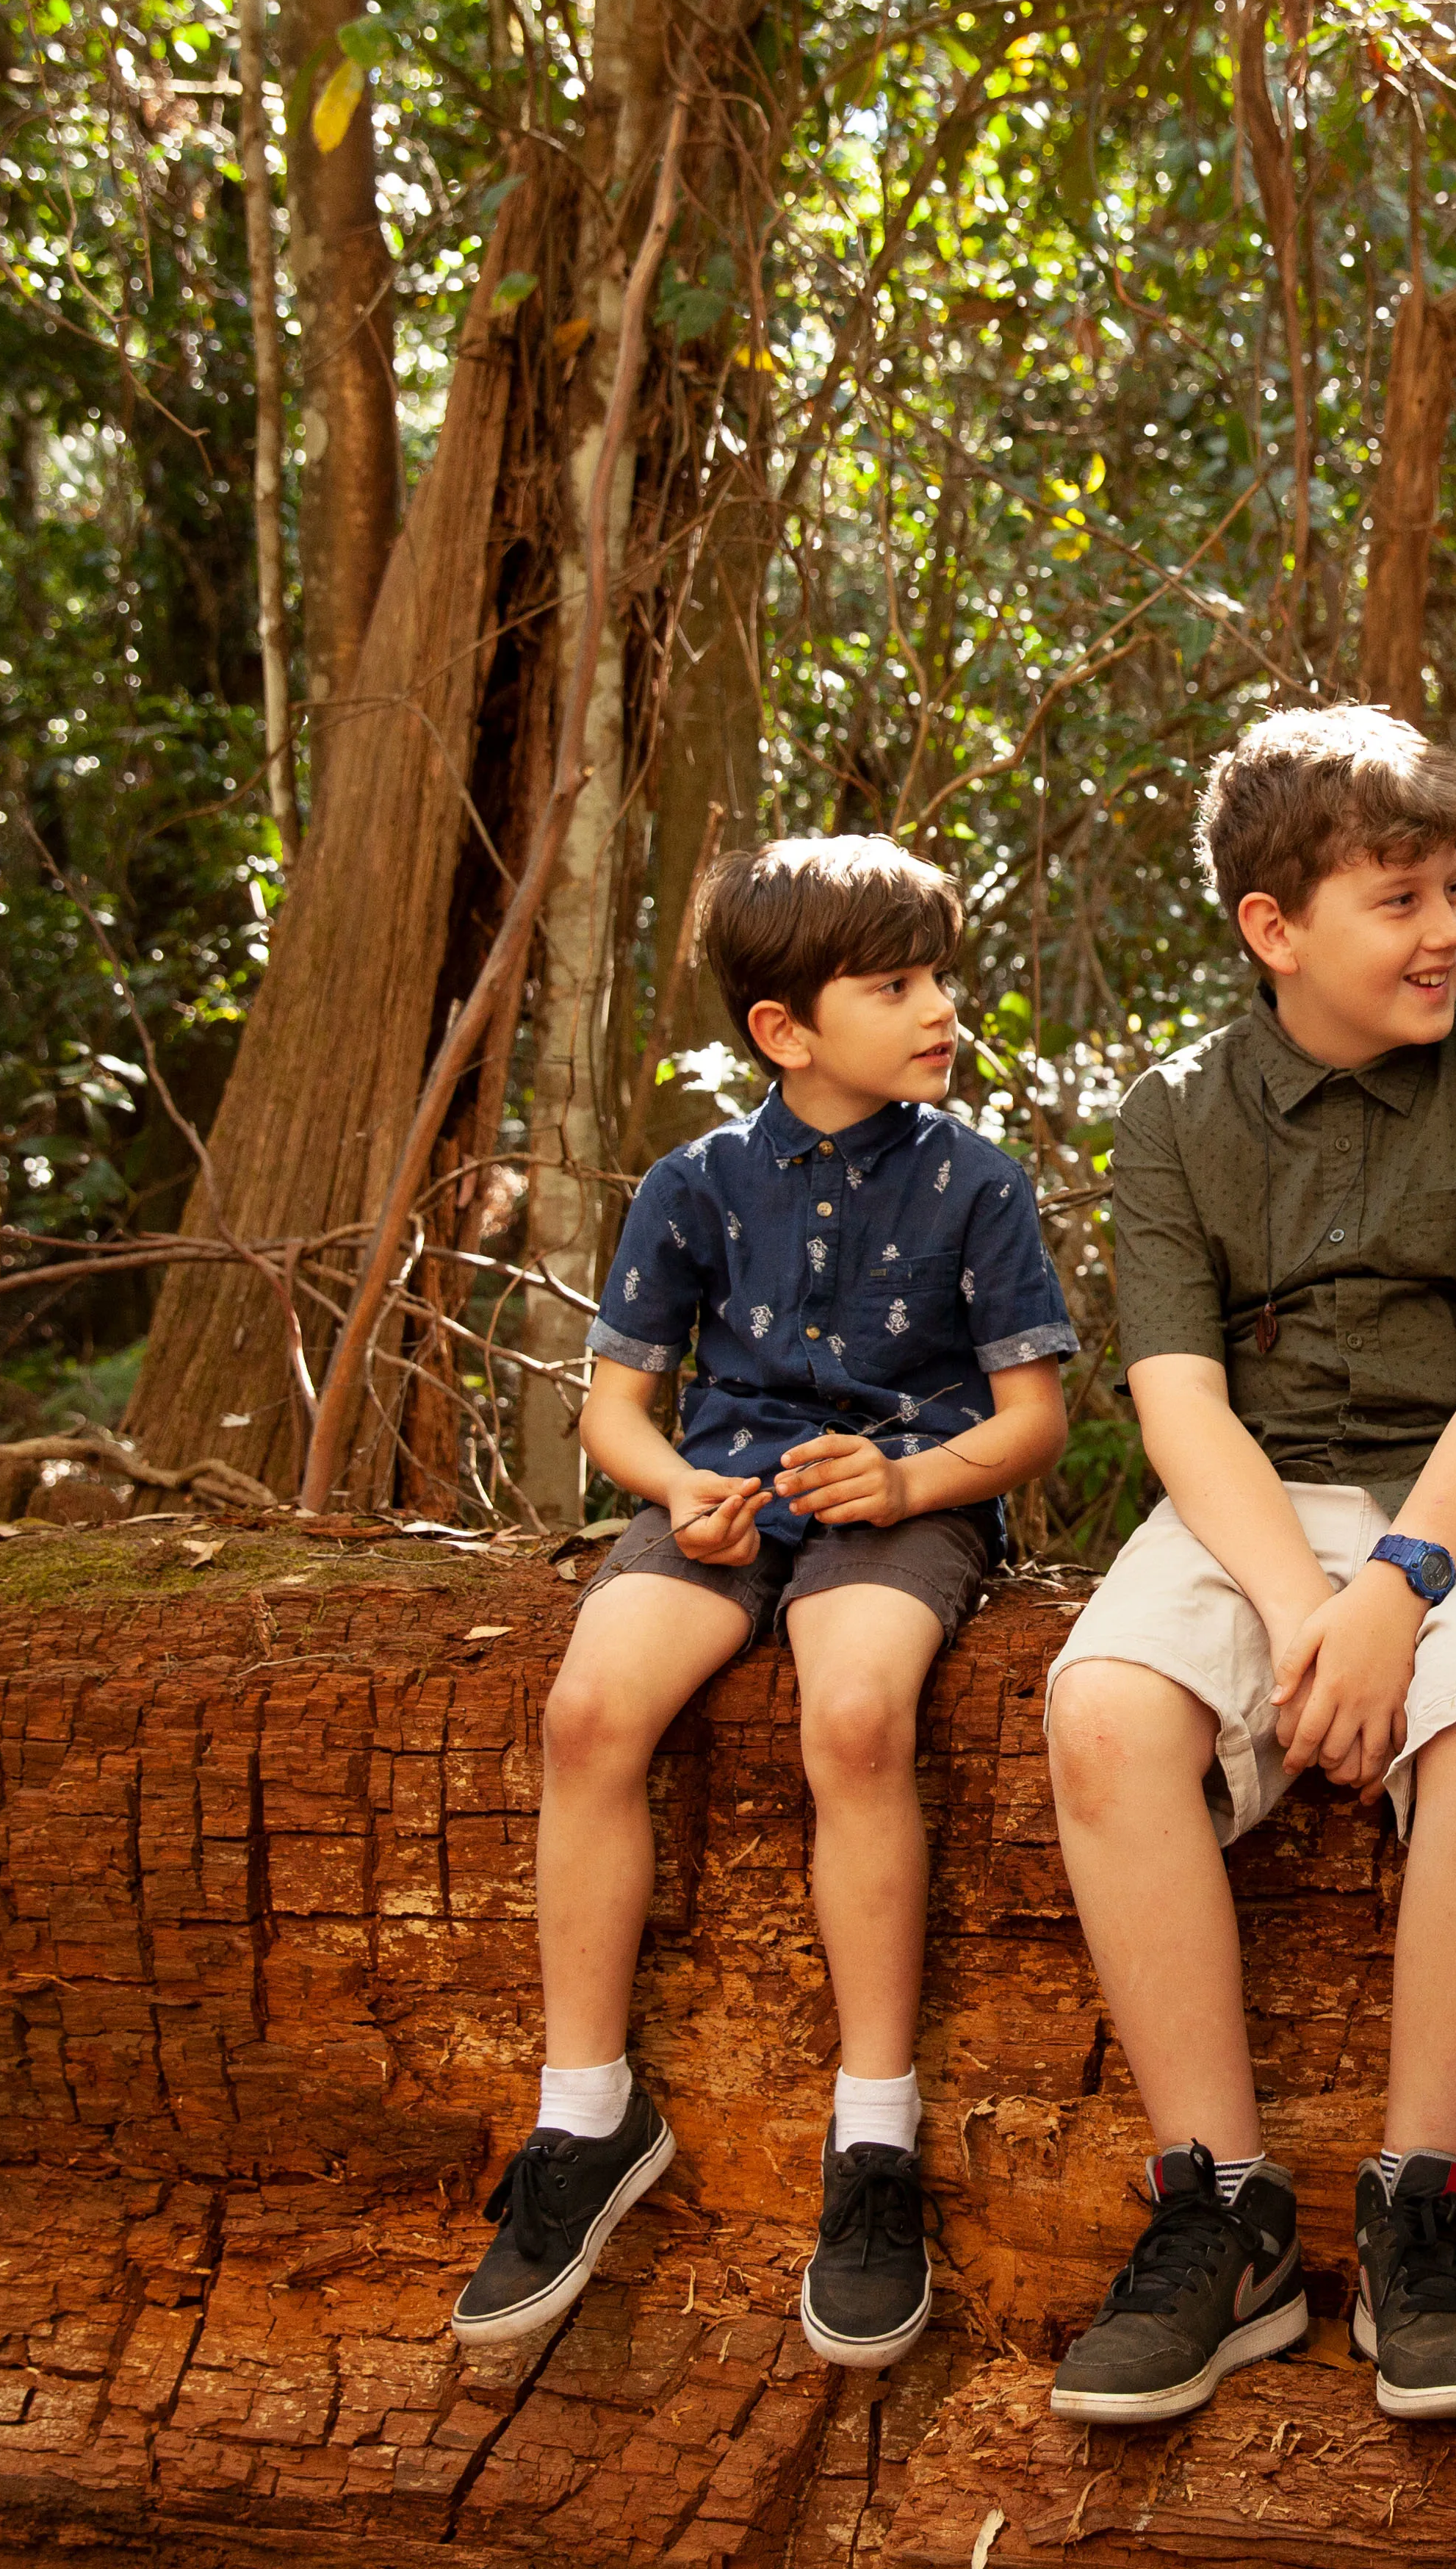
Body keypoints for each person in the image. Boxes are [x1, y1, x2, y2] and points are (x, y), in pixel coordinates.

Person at [1037, 705, 1456, 2427]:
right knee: (1102, 1713)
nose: (1450, 926)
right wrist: (1310, 1608)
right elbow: (1178, 1403)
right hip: (1263, 1497)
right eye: (1401, 897)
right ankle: (1220, 2212)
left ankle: (1423, 2209)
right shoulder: (1176, 1115)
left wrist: (1401, 1595)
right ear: (1274, 929)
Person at [447, 836, 1075, 2372]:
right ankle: (585, 2117)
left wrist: (916, 1485)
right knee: (591, 1712)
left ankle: (873, 2144)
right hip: (721, 1499)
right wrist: (671, 1489)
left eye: (937, 975)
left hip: (898, 1502)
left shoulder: (976, 1182)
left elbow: (1033, 1419)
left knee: (855, 1720)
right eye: (894, 986)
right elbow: (617, 1409)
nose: (938, 1009)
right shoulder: (695, 1183)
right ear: (783, 1032)